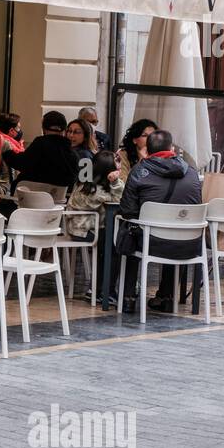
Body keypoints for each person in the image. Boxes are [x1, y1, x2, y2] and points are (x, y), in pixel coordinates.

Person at [117, 130, 202, 313]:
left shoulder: (139, 171)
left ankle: (128, 297)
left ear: (147, 151)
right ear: (172, 149)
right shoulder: (192, 173)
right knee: (172, 230)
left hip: (151, 243)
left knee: (132, 231)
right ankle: (166, 297)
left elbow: (127, 210)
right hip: (188, 244)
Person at [1, 111, 79, 193]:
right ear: (64, 130)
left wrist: (7, 153)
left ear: (44, 129)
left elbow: (21, 163)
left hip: (28, 200)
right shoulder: (73, 154)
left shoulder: (40, 144)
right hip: (58, 203)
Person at [65, 150, 122, 242]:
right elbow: (118, 200)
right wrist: (115, 183)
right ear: (108, 171)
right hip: (86, 232)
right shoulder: (98, 192)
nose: (120, 165)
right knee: (117, 236)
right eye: (117, 162)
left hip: (74, 228)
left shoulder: (83, 184)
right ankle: (106, 256)